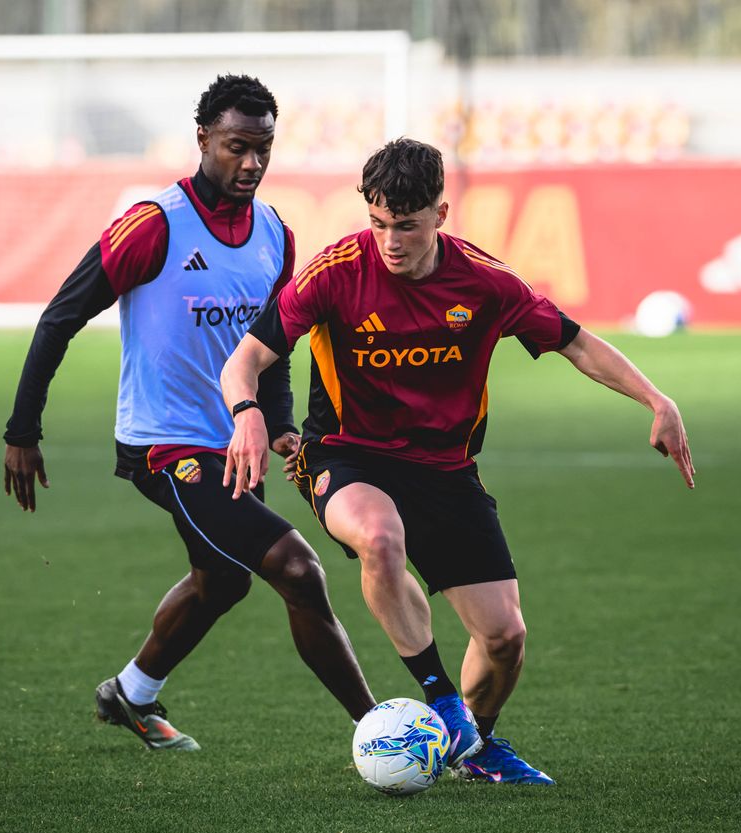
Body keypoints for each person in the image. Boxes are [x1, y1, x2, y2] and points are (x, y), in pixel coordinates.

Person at [221, 138, 694, 783]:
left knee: (504, 640)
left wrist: (657, 399)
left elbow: (577, 344)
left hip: (447, 471)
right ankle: (443, 702)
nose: (391, 240)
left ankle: (474, 743)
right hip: (347, 454)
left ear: (440, 215)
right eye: (379, 222)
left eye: (407, 225)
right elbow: (244, 359)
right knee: (380, 539)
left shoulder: (487, 283)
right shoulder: (335, 273)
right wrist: (248, 413)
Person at [2, 75, 375, 752]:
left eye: (264, 149)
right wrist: (22, 431)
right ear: (203, 138)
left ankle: (129, 694)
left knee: (223, 579)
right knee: (298, 569)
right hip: (164, 445)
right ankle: (378, 729)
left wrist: (282, 420)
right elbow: (60, 317)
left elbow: (273, 345)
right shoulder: (153, 226)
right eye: (237, 147)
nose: (252, 164)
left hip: (241, 443)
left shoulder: (274, 235)